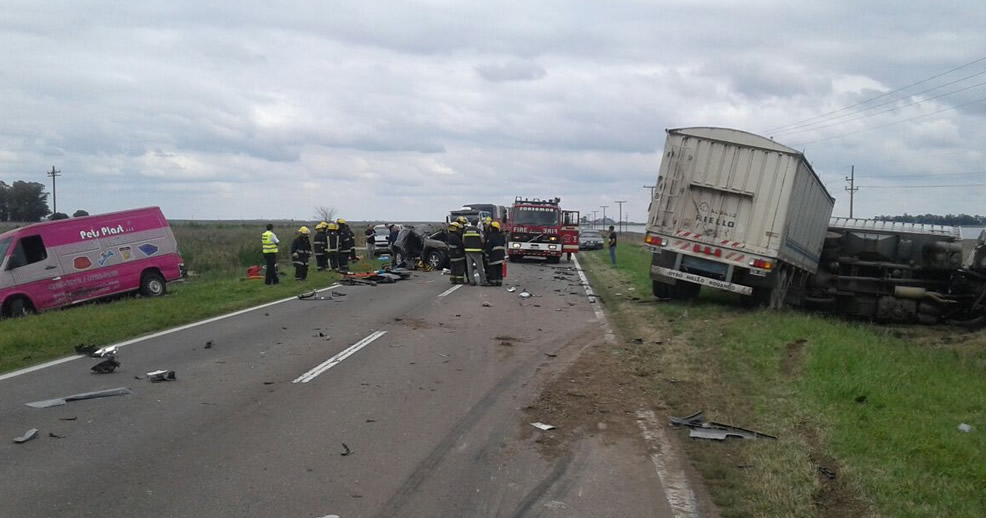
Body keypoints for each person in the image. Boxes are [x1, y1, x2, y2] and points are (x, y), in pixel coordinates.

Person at [462, 219, 488, 286]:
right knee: (479, 266)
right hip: (476, 251)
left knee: (469, 267)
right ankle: (483, 281)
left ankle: (472, 281)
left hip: (467, 250)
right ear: (477, 224)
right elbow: (482, 240)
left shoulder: (465, 231)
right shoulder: (478, 231)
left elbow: (463, 240)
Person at [484, 221, 506, 286]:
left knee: (492, 269)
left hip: (493, 256)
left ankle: (493, 281)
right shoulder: (501, 236)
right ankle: (499, 281)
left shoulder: (491, 236)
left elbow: (489, 247)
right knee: (499, 269)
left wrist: (487, 256)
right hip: (501, 256)